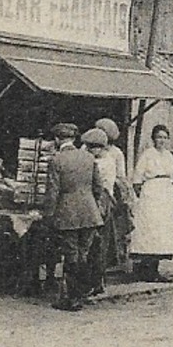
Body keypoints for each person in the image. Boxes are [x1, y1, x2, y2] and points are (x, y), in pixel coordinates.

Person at [43, 123, 104, 311]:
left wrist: (48, 215)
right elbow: (98, 187)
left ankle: (71, 298)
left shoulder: (56, 160)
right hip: (90, 213)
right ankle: (80, 294)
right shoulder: (88, 158)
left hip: (67, 214)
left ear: (56, 139)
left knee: (71, 255)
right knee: (83, 254)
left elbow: (52, 192)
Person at [131, 124, 173, 281]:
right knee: (148, 229)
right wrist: (143, 194)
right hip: (150, 192)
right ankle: (145, 270)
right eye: (159, 137)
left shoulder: (169, 156)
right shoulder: (147, 155)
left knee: (160, 231)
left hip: (164, 194)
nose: (161, 140)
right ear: (153, 139)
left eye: (164, 137)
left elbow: (172, 176)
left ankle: (155, 269)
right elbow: (137, 178)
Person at [93, 117, 132, 278]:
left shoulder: (116, 153)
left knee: (112, 231)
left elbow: (121, 175)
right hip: (94, 193)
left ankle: (109, 264)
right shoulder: (88, 148)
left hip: (110, 193)